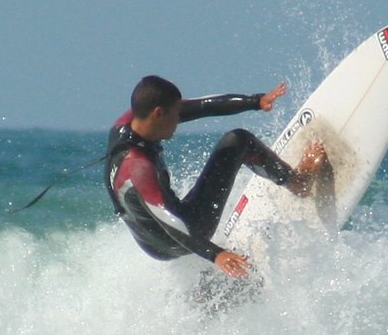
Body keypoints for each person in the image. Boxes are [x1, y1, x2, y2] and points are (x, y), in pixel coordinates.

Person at [105, 75, 326, 278]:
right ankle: (299, 183)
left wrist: (254, 102)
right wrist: (215, 254)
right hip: (175, 236)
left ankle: (204, 291)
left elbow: (201, 106)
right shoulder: (137, 167)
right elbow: (170, 221)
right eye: (175, 115)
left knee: (175, 208)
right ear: (158, 114)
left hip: (150, 244)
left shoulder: (128, 124)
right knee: (238, 141)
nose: (179, 120)